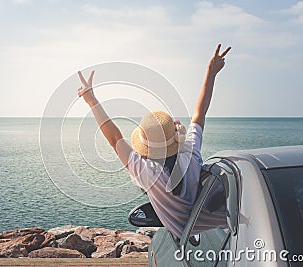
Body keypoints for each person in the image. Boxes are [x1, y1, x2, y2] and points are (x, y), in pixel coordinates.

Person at [77, 44, 232, 238]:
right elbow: (200, 114)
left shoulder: (147, 172)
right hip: (222, 227)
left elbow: (114, 137)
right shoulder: (190, 152)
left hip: (190, 239)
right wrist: (211, 73)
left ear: (145, 147)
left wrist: (91, 99)